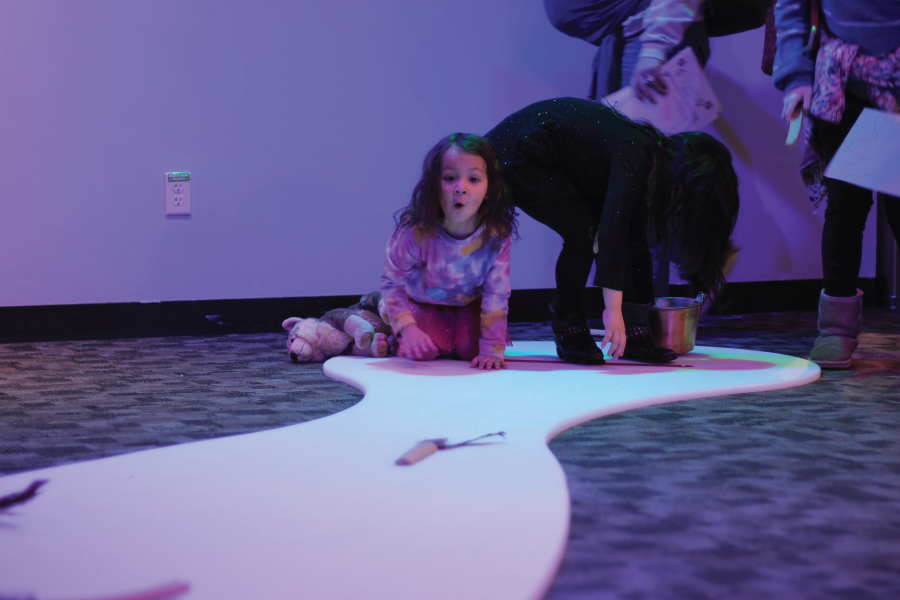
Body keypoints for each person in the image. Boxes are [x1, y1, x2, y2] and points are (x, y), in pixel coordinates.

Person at [485, 97, 739, 365]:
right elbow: (611, 233)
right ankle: (569, 329)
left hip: (537, 151)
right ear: (678, 182)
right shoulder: (637, 152)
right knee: (584, 234)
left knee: (631, 235)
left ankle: (635, 333)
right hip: (516, 154)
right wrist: (612, 311)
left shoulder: (648, 161)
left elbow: (631, 239)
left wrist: (634, 322)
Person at [773, 0, 900, 369]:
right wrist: (797, 75)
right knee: (846, 207)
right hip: (846, 85)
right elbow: (791, 8)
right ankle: (836, 331)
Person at [381, 134, 516, 370]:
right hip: (422, 302)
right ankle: (381, 318)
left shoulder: (497, 236)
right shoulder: (416, 232)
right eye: (450, 178)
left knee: (471, 351)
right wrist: (407, 328)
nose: (460, 188)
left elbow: (496, 295)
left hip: (468, 304)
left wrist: (492, 349)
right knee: (423, 351)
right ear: (434, 185)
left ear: (489, 189)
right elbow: (392, 282)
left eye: (474, 179)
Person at [544, 0, 710, 103]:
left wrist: (654, 51)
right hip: (627, 38)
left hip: (653, 35)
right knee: (625, 139)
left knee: (644, 139)